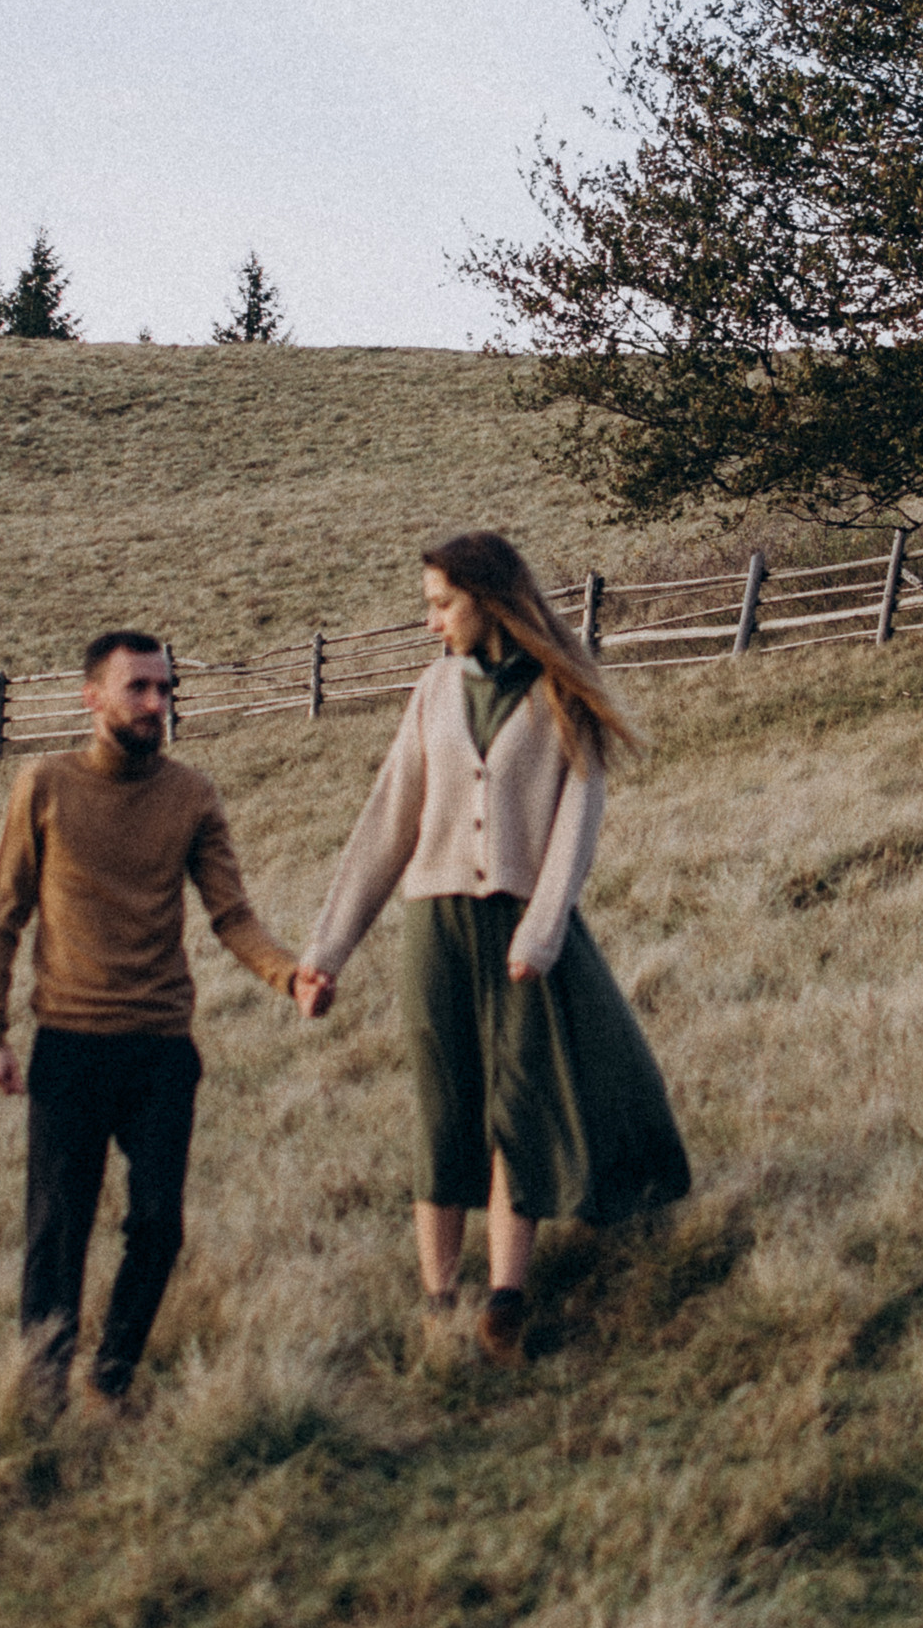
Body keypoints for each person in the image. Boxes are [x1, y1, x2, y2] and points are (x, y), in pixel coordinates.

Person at [295, 530, 689, 1364]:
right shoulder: (432, 693)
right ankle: (438, 1299)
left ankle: (505, 1300)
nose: (431, 620)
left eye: (442, 603)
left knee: (520, 1105)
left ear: (488, 598)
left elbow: (577, 823)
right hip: (434, 926)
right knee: (444, 1108)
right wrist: (327, 949)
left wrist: (542, 932)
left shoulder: (559, 692)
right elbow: (385, 826)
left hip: (520, 931)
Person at [0, 627, 314, 1419]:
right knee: (57, 1229)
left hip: (160, 1048)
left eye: (165, 689)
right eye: (140, 689)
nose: (157, 703)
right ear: (92, 696)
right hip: (68, 1044)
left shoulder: (191, 795)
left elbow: (231, 914)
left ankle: (112, 1375)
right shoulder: (45, 786)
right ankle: (42, 1390)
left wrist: (287, 975)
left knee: (158, 1224)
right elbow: (1, 917)